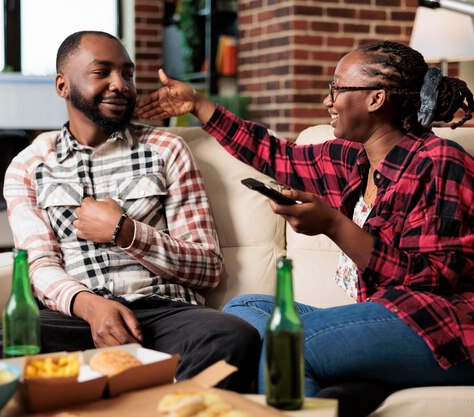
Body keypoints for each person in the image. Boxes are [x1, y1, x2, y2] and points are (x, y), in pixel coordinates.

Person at [136, 40, 474, 396]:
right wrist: (200, 106)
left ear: (376, 99)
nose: (328, 100)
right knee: (244, 310)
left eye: (338, 88)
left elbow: (432, 280)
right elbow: (274, 154)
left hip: (442, 328)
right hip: (385, 316)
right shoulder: (351, 159)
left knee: (291, 346)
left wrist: (334, 226)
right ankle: (348, 381)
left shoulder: (438, 161)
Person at [0, 30, 260, 392]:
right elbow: (39, 264)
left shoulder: (167, 149)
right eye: (103, 72)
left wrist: (126, 232)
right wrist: (92, 306)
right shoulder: (30, 165)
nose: (120, 85)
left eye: (127, 74)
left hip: (164, 311)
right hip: (75, 315)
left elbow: (208, 267)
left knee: (231, 336)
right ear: (63, 86)